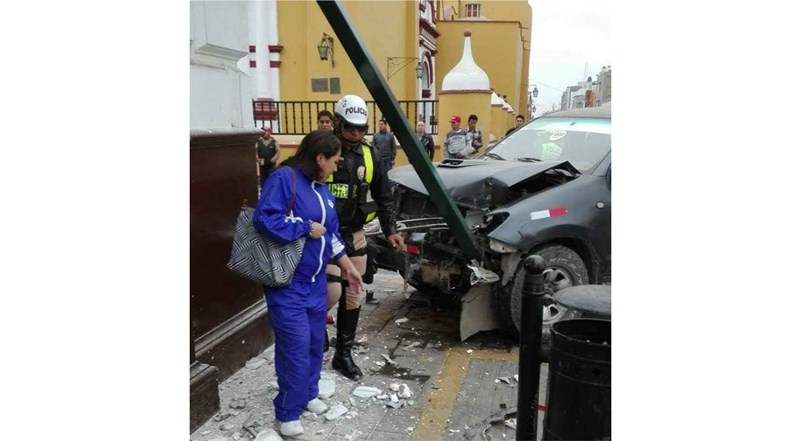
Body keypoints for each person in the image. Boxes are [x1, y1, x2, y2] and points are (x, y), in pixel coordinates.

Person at [253, 130, 364, 438]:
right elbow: (264, 218)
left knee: (315, 341)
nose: (337, 167)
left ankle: (309, 393)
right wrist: (303, 227)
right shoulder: (284, 179)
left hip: (315, 283)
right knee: (295, 347)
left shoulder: (322, 189)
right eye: (335, 161)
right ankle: (287, 412)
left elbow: (331, 235)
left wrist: (348, 267)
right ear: (320, 158)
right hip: (287, 283)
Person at [326, 94, 404, 381]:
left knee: (353, 294)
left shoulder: (371, 155)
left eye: (360, 128)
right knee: (330, 292)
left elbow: (384, 197)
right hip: (325, 235)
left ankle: (343, 354)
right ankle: (315, 332)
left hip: (355, 233)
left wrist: (391, 230)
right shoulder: (322, 149)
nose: (355, 133)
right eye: (349, 127)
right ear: (337, 122)